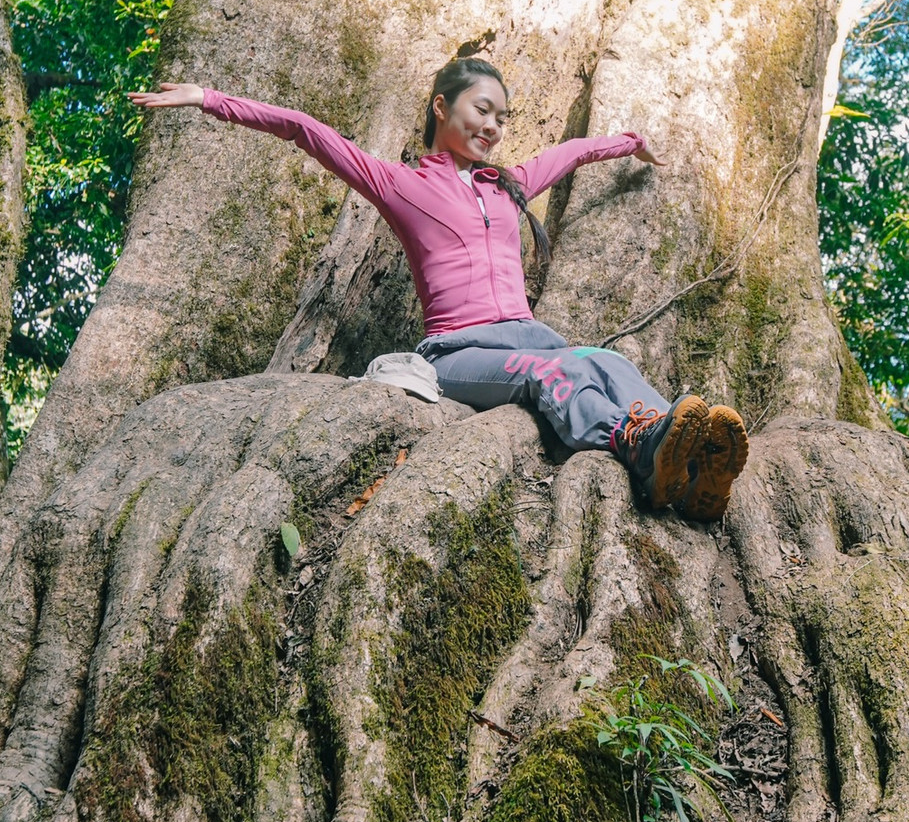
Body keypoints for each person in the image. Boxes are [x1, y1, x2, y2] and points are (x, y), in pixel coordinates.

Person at [130, 57, 749, 519]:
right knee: (546, 374)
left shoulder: (508, 185)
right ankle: (634, 445)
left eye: (503, 118)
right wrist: (206, 97)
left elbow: (574, 154)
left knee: (605, 359)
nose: (494, 126)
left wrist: (631, 144)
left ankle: (689, 456)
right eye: (482, 110)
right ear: (440, 106)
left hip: (531, 334)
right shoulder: (401, 184)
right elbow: (304, 130)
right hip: (458, 353)